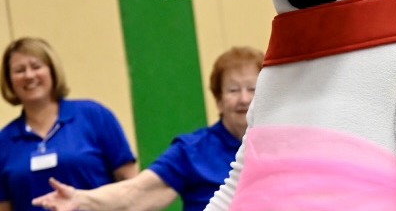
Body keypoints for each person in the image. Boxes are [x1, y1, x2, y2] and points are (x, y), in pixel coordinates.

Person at [31, 46, 263, 211]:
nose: (244, 99)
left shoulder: (282, 142)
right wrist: (81, 199)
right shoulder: (192, 150)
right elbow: (137, 193)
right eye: (233, 90)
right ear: (218, 100)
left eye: (252, 89)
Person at [0, 37, 138, 211]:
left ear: (52, 71)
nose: (29, 75)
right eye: (19, 70)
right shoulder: (3, 142)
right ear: (9, 81)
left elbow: (131, 186)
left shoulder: (94, 116)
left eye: (36, 66)